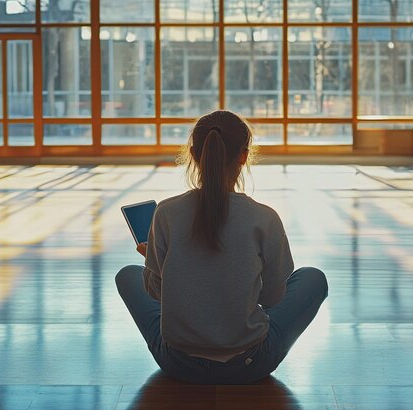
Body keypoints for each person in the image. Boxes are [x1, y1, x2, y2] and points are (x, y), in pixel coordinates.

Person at [115, 110, 328, 384]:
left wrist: (158, 262)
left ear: (193, 154)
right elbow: (273, 298)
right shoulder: (264, 218)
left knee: (129, 275)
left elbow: (156, 292)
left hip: (177, 362)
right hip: (250, 363)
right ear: (243, 155)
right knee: (313, 277)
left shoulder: (167, 213)